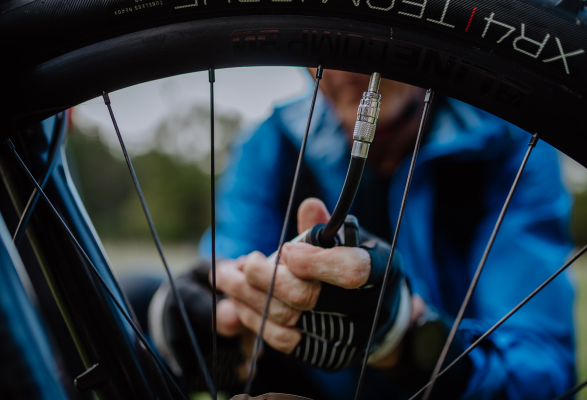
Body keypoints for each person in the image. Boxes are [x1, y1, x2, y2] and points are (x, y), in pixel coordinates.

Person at [146, 69, 575, 399]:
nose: (343, 66)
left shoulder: (510, 145)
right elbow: (232, 265)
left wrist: (407, 337)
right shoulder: (269, 144)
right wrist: (208, 312)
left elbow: (544, 367)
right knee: (138, 295)